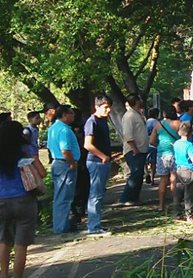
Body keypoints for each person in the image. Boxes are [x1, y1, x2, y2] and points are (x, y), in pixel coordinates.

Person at [1, 119, 39, 278]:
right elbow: (41, 172)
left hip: (2, 201)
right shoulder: (24, 151)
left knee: (4, 241)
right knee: (21, 244)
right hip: (24, 200)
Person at [82, 97, 114, 237]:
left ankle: (96, 223)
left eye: (109, 107)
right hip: (96, 161)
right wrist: (103, 156)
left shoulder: (103, 121)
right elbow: (88, 144)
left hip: (103, 162)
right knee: (95, 194)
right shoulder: (92, 121)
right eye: (105, 107)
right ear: (97, 107)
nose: (108, 110)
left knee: (99, 194)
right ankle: (93, 226)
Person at [46, 106, 78, 233]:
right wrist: (71, 163)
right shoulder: (64, 130)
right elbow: (65, 149)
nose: (73, 116)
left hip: (57, 163)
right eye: (72, 114)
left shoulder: (53, 128)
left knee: (60, 195)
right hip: (65, 163)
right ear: (65, 115)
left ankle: (61, 224)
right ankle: (61, 227)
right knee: (65, 196)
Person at [118, 95, 150, 206]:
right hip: (134, 150)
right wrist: (134, 148)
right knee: (135, 174)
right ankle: (125, 198)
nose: (142, 101)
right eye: (140, 99)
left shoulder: (138, 114)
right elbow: (128, 135)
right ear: (136, 101)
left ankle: (134, 197)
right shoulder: (129, 116)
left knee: (139, 174)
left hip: (141, 149)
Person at [153, 107, 182, 213]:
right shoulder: (178, 123)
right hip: (175, 153)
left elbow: (152, 140)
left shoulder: (158, 125)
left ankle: (161, 205)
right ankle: (176, 203)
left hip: (162, 154)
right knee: (173, 179)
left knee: (163, 180)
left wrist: (160, 145)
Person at [171, 122, 193, 222]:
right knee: (189, 194)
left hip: (179, 169)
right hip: (188, 170)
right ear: (190, 133)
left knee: (178, 193)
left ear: (179, 132)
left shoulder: (176, 143)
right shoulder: (189, 145)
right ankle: (189, 215)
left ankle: (176, 214)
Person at [144, 108, 161, 185]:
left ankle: (146, 173)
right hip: (154, 144)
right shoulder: (156, 122)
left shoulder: (146, 122)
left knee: (145, 161)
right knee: (153, 163)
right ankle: (152, 178)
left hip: (145, 143)